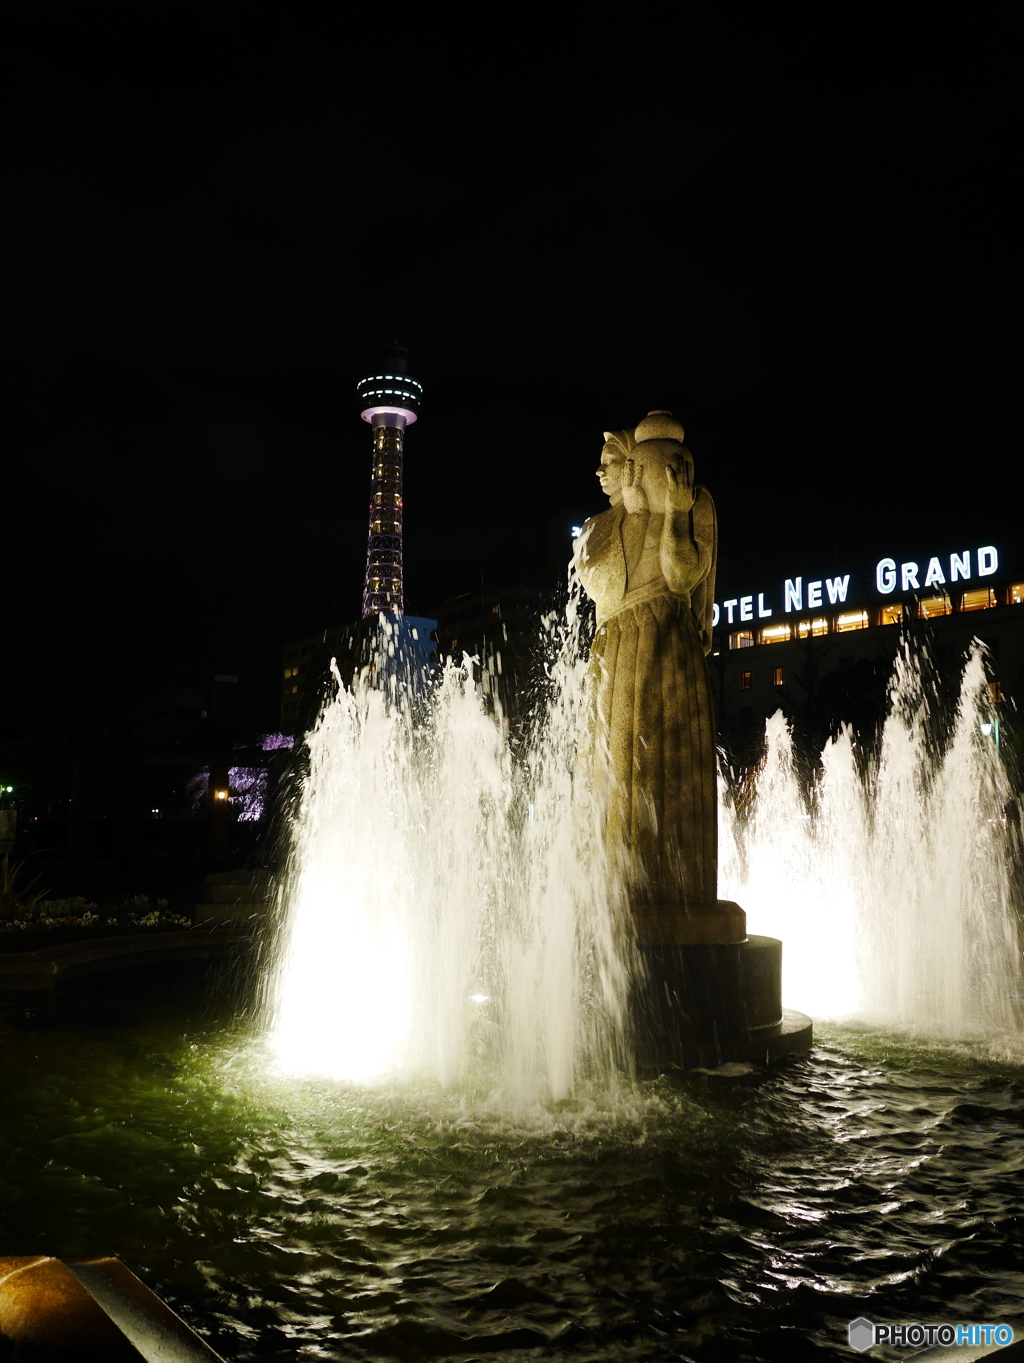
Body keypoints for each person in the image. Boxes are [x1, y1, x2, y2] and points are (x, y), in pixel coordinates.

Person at [574, 411, 725, 943]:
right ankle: (614, 885)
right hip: (618, 652)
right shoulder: (599, 527)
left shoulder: (692, 503)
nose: (602, 472)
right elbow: (605, 590)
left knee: (668, 763)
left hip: (670, 647)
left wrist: (673, 516)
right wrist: (633, 515)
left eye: (612, 463)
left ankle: (675, 888)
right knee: (617, 767)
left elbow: (682, 575)